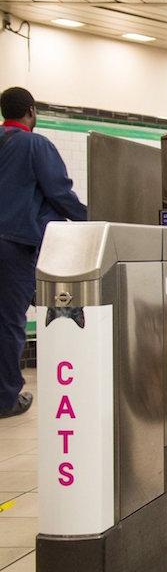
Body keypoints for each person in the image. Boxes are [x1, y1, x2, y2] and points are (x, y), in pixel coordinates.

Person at [0, 87, 87, 419]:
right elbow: (59, 193)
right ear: (31, 112)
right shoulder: (35, 145)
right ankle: (7, 398)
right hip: (14, 246)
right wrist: (96, 219)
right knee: (9, 321)